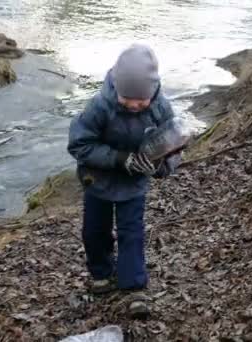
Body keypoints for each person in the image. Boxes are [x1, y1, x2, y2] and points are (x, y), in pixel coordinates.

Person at [67, 43, 181, 319]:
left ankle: (134, 287)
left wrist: (161, 167)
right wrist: (120, 159)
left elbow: (174, 147)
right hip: (99, 179)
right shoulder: (99, 106)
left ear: (152, 92)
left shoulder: (161, 109)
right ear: (116, 88)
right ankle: (101, 273)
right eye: (126, 98)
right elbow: (79, 145)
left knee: (132, 233)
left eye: (140, 100)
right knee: (95, 231)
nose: (133, 104)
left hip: (134, 185)